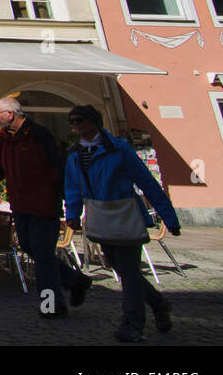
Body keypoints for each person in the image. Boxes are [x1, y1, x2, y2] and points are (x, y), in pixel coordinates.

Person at [64, 105, 180, 343]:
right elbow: (73, 188)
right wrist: (73, 215)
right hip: (99, 217)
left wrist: (169, 217)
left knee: (128, 270)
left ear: (95, 122)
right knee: (122, 270)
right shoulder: (75, 154)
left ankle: (132, 323)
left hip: (124, 213)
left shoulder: (118, 149)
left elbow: (147, 183)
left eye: (80, 121)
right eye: (73, 122)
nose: (76, 126)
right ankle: (159, 303)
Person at [0, 96, 90, 319]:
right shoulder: (5, 138)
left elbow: (56, 167)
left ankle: (51, 304)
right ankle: (75, 280)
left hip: (43, 203)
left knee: (43, 255)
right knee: (31, 248)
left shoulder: (38, 135)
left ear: (10, 114)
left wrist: (62, 199)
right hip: (20, 204)